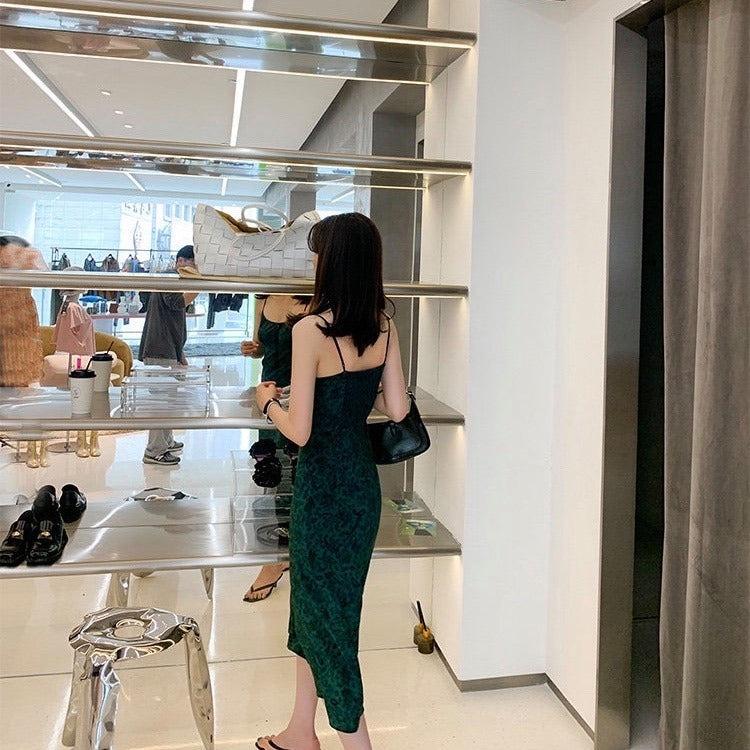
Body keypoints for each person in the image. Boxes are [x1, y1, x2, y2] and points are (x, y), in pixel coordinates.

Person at [255, 213, 409, 750]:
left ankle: (355, 743)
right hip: (361, 489)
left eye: (318, 254)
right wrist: (353, 394)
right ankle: (301, 730)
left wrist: (268, 403)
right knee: (316, 610)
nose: (314, 263)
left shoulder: (309, 330)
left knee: (330, 624)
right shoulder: (383, 325)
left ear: (331, 262)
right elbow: (397, 407)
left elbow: (299, 431)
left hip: (321, 490)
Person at [241, 294, 309, 602]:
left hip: (302, 397)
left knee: (295, 476)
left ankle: (278, 560)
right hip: (268, 397)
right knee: (272, 473)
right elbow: (262, 347)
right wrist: (254, 349)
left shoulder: (313, 297)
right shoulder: (264, 295)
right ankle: (282, 555)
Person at [138, 245, 198, 465]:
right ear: (182, 261)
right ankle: (154, 450)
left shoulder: (173, 279)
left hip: (167, 348)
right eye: (194, 263)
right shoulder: (169, 277)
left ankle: (166, 441)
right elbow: (176, 303)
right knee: (161, 403)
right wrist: (200, 286)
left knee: (168, 400)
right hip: (159, 349)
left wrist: (180, 352)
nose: (196, 268)